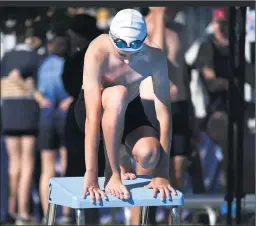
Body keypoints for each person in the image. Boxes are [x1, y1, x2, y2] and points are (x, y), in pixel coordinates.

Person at [73, 8, 177, 204]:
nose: (128, 60)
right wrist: (93, 174)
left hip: (129, 108)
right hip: (94, 109)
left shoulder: (154, 57)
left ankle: (121, 156)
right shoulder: (98, 50)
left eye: (134, 53)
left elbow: (164, 114)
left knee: (150, 155)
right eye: (122, 53)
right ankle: (113, 171)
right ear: (112, 40)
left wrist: (162, 172)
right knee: (118, 93)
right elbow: (92, 118)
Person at [0, 27, 49, 225]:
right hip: (28, 113)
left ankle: (11, 209)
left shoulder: (6, 57)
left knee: (14, 164)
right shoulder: (35, 58)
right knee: (27, 164)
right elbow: (28, 81)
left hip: (9, 114)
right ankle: (23, 211)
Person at [37, 32, 73, 224]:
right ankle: (67, 213)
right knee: (66, 167)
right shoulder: (70, 64)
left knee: (47, 169)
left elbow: (37, 90)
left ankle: (47, 213)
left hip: (46, 115)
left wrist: (42, 100)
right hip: (65, 116)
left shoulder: (44, 65)